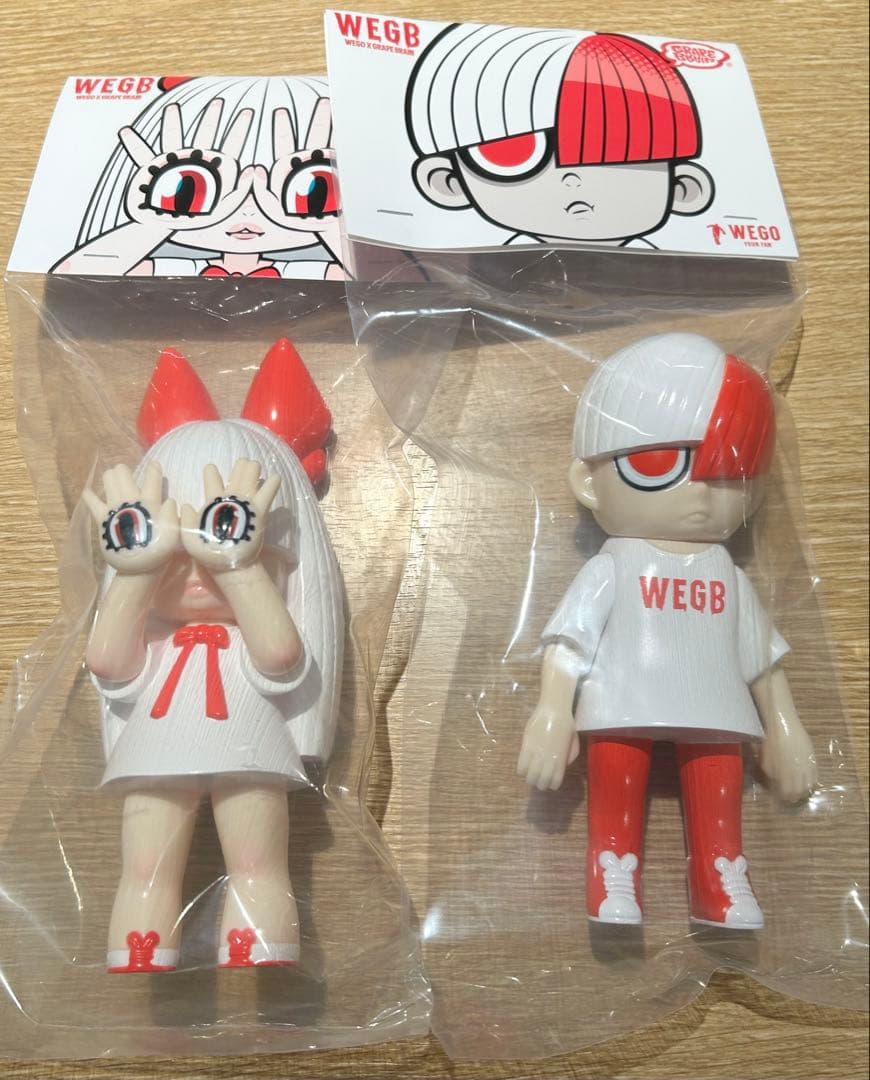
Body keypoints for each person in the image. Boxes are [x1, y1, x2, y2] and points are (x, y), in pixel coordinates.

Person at [517, 332, 816, 928]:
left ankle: (719, 876)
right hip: (620, 706)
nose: (700, 492)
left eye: (728, 471)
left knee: (719, 798)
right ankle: (612, 871)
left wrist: (786, 729)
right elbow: (569, 643)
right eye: (660, 463)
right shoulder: (612, 566)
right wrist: (552, 712)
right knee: (614, 790)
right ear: (587, 481)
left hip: (715, 710)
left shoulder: (727, 574)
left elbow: (761, 660)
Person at [85, 340, 343, 970]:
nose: (196, 572)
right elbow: (107, 662)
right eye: (177, 553)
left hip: (248, 739)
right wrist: (138, 571)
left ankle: (259, 938)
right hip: (157, 744)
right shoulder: (155, 629)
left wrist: (237, 565)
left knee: (257, 859)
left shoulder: (253, 606)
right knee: (145, 862)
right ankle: (141, 942)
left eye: (224, 535)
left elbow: (281, 654)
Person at [406, 29, 714, 249]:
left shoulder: (681, 280)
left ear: (684, 188)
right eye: (515, 153)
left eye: (618, 152)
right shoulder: (481, 274)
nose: (572, 178)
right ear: (448, 183)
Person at [53, 77, 345, 279]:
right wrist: (159, 220)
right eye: (188, 190)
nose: (247, 211)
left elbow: (369, 279)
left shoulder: (303, 271)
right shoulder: (182, 267)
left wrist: (325, 221)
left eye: (317, 193)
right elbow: (72, 274)